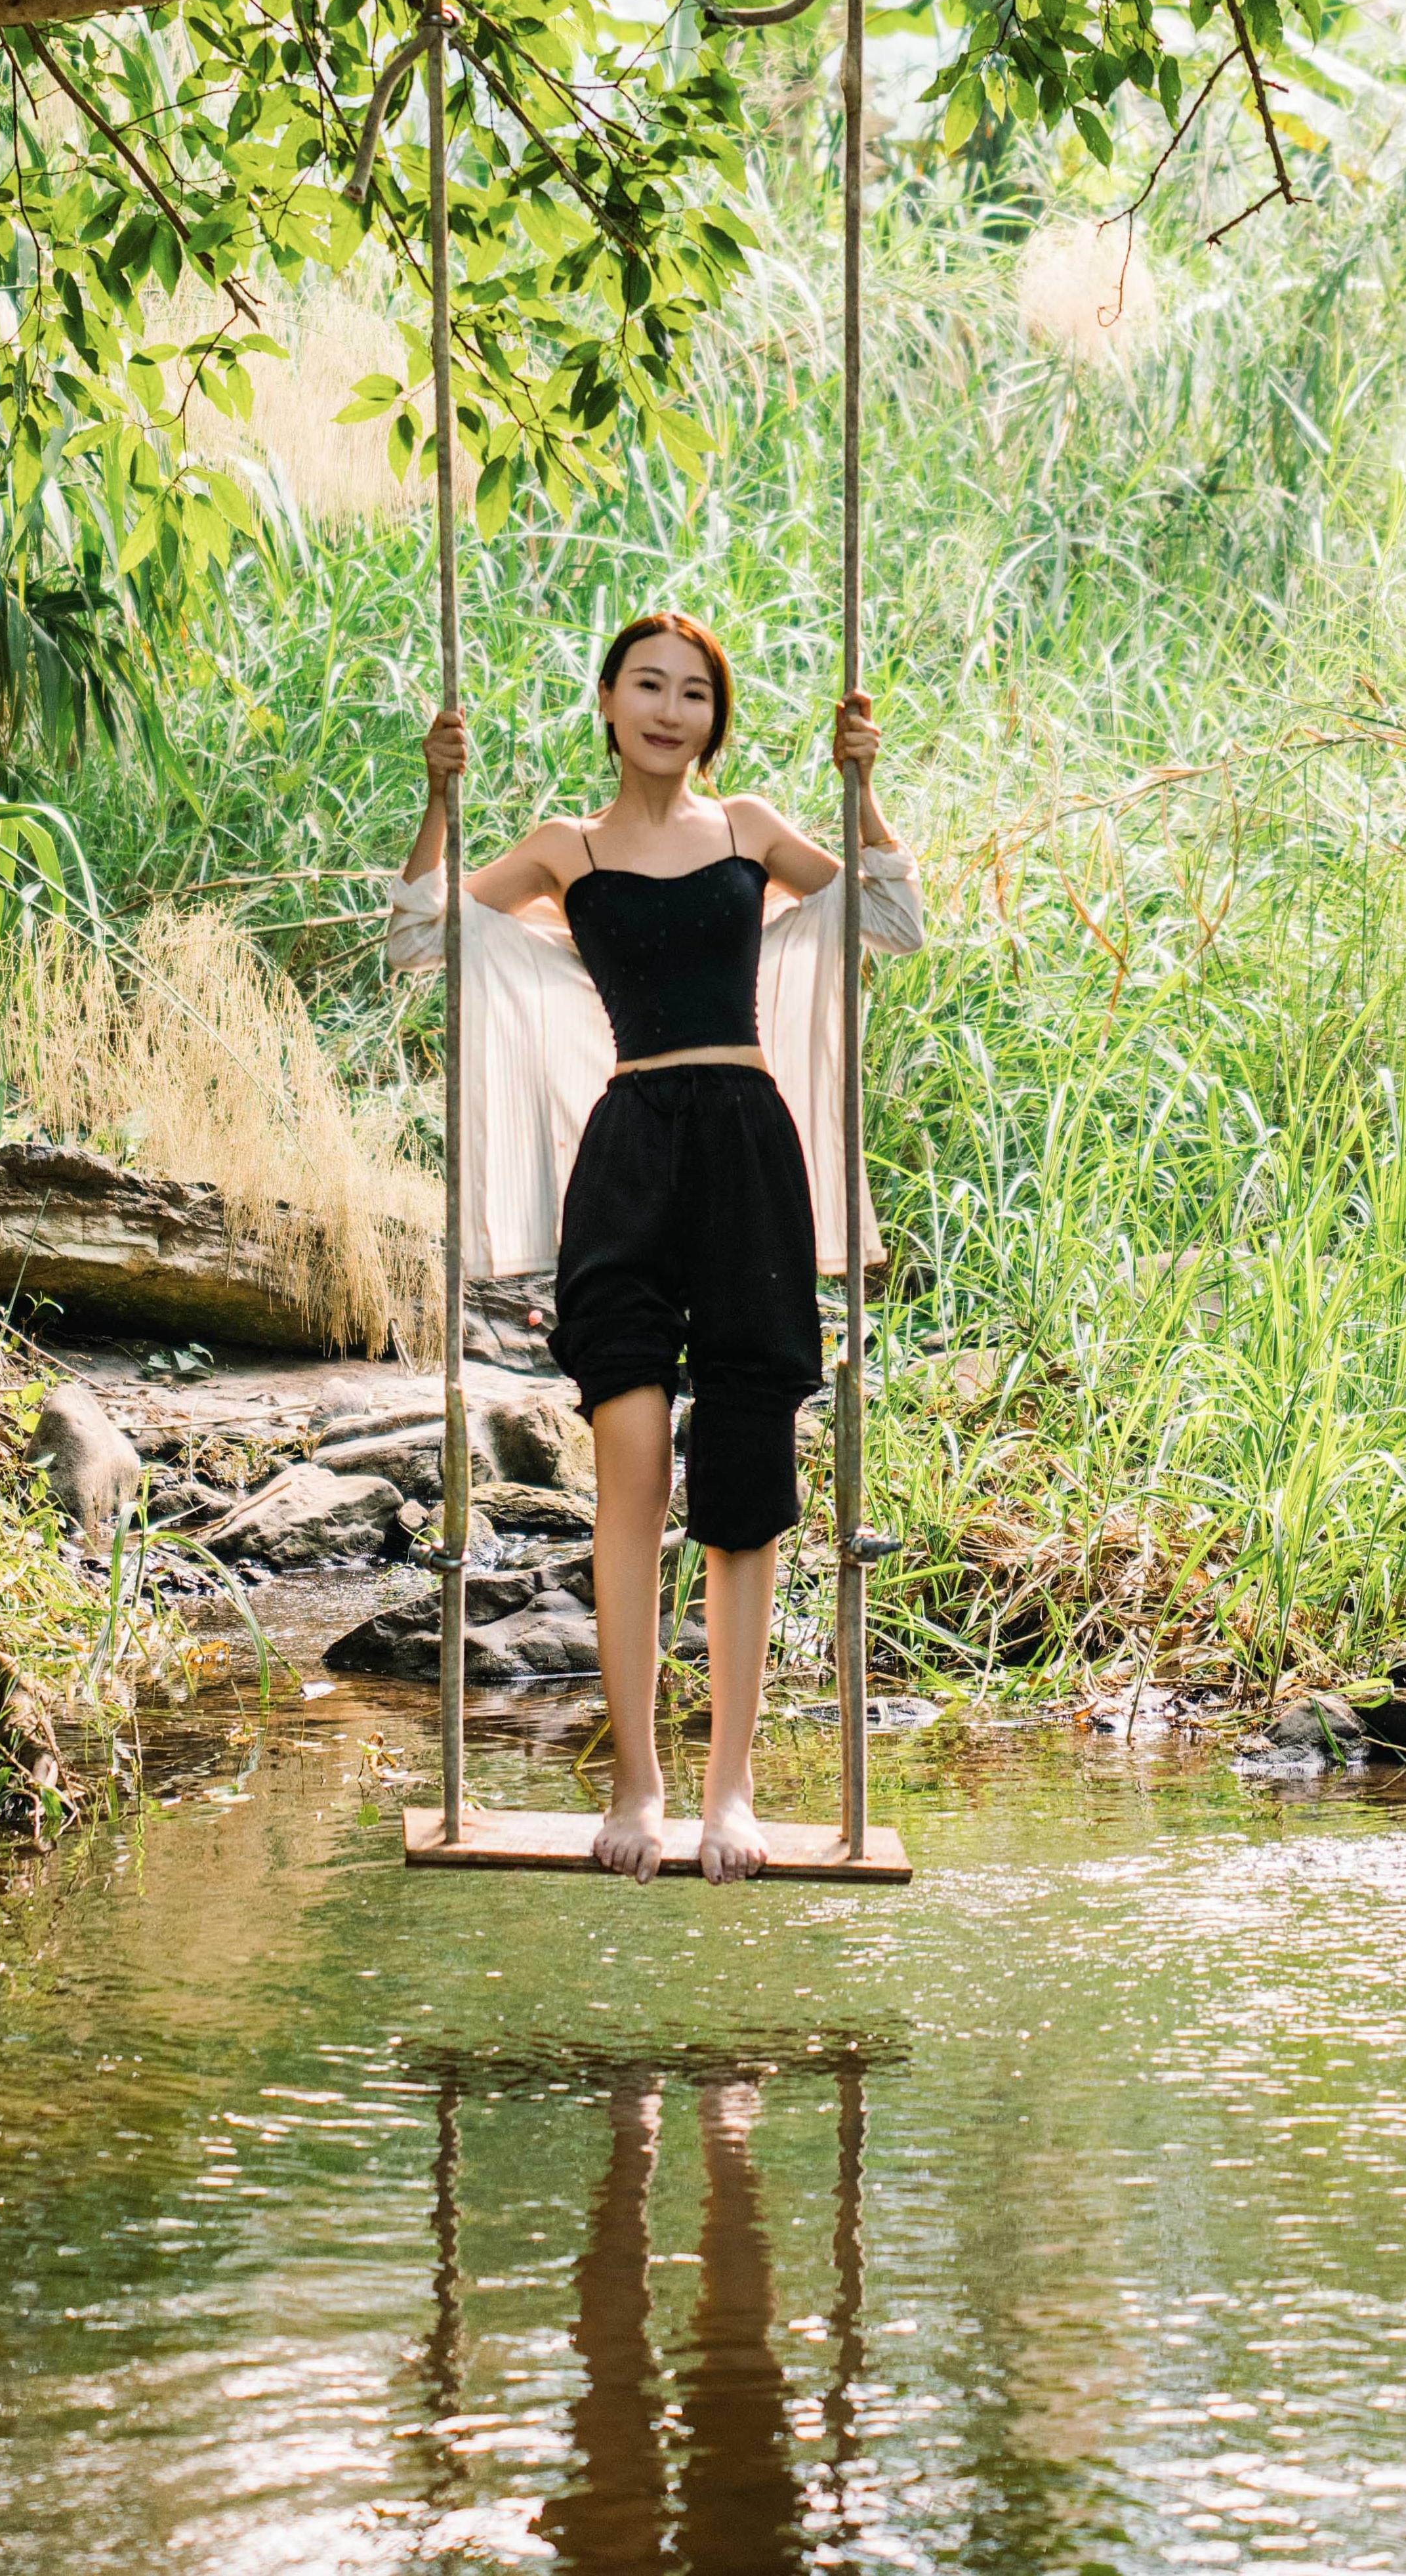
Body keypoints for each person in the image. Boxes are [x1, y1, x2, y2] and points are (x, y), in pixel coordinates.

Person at [388, 610, 920, 1882]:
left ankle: (729, 1791)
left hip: (747, 1152)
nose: (670, 709)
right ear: (608, 702)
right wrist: (437, 799)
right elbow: (422, 938)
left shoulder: (747, 828)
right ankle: (637, 1781)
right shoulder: (561, 848)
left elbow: (887, 916)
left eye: (693, 691)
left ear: (713, 717)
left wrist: (865, 788)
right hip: (626, 1156)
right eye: (648, 686)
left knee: (744, 1475)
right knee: (628, 1456)